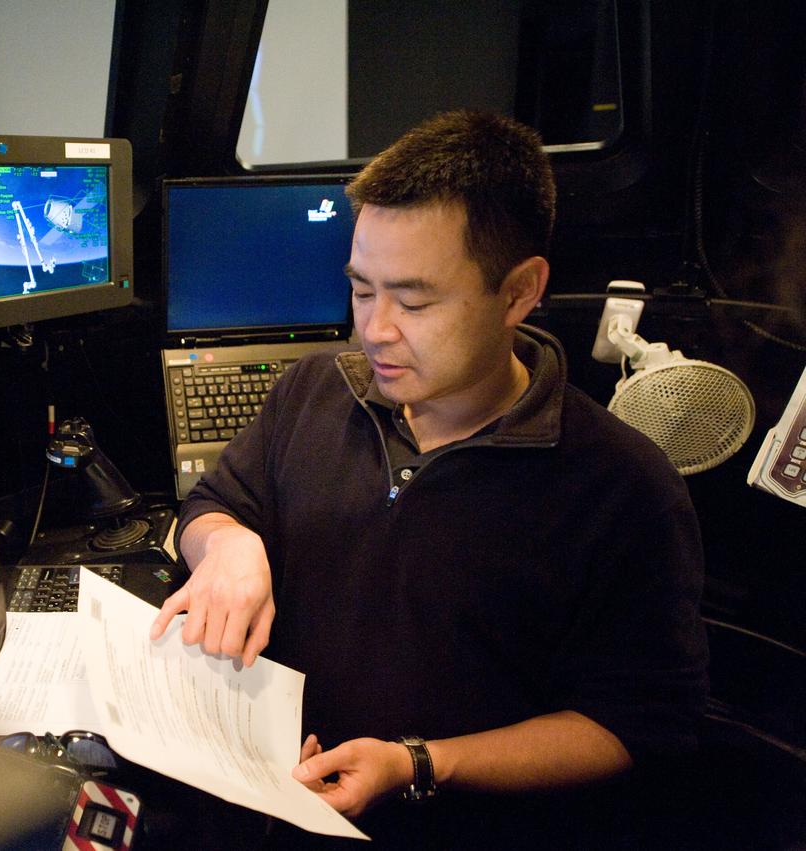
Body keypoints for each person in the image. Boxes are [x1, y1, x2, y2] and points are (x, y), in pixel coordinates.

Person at [149, 110, 709, 847]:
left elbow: (634, 725)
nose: (373, 329)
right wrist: (227, 546)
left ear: (519, 292)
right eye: (360, 289)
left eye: (413, 301)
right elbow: (218, 501)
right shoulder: (314, 389)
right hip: (268, 797)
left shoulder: (624, 490)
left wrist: (418, 763)